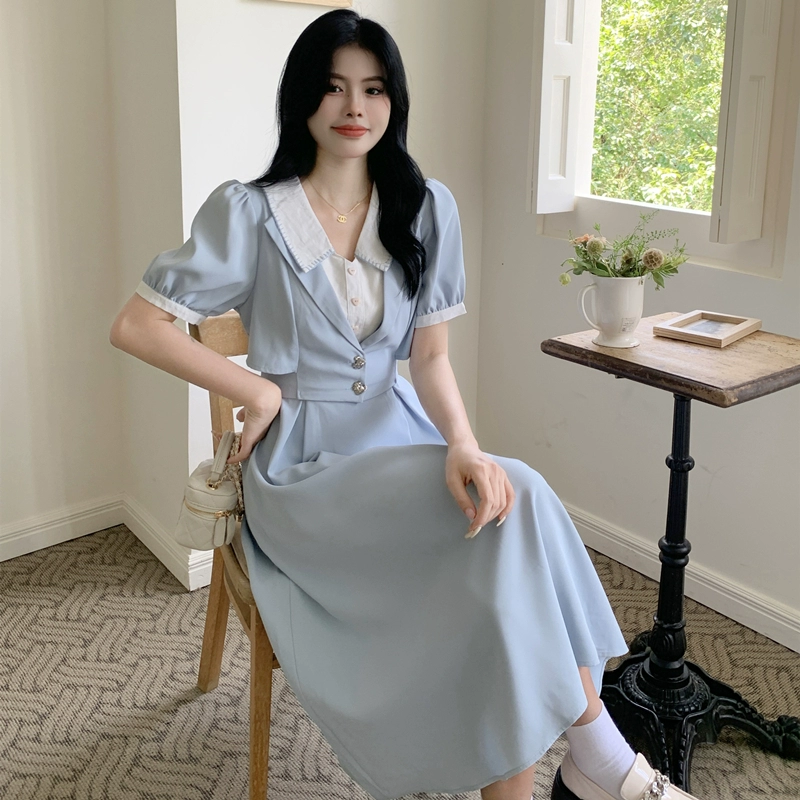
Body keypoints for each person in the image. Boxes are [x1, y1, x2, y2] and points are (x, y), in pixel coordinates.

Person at [110, 10, 700, 800]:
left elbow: (430, 358)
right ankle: (602, 760)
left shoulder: (425, 207)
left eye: (375, 88)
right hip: (303, 471)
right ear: (302, 98)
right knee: (509, 513)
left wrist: (462, 443)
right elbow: (136, 325)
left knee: (499, 517)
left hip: (399, 438)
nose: (355, 106)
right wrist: (255, 387)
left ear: (394, 100)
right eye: (334, 87)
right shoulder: (249, 211)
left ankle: (585, 763)